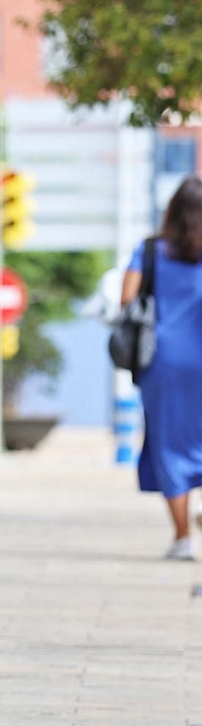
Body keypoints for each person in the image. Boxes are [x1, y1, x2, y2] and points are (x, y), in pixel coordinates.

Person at [123, 176, 202, 561]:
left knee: (170, 446)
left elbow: (126, 299)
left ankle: (184, 538)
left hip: (164, 364)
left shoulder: (151, 250)